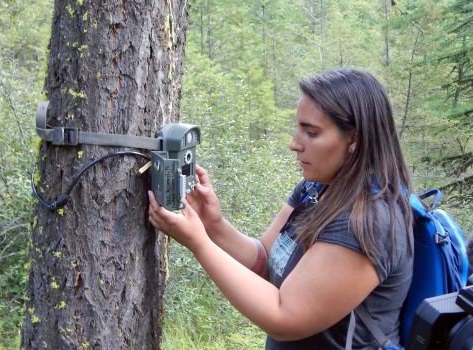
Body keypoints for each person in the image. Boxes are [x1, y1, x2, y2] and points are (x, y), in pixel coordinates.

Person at [148, 68, 414, 349]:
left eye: (311, 132)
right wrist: (213, 226)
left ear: (354, 138)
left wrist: (199, 243)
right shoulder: (315, 190)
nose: (294, 144)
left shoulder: (368, 221)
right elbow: (264, 261)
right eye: (298, 128)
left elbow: (284, 318)